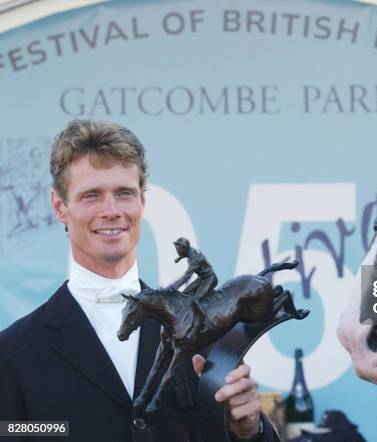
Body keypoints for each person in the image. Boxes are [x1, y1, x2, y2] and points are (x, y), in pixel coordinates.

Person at [0, 120, 279, 442]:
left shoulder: (207, 335)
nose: (111, 210)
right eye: (91, 195)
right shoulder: (13, 355)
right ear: (60, 207)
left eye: (124, 194)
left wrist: (249, 430)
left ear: (142, 203)